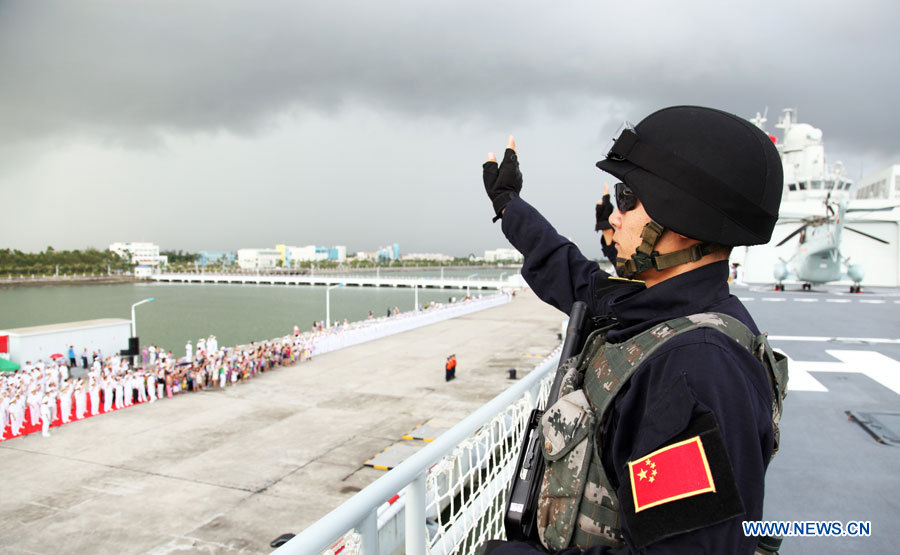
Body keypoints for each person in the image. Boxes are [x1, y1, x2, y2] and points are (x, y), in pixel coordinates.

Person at [479, 106, 787, 554]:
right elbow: (572, 275)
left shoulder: (697, 368)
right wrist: (509, 205)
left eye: (628, 198)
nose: (614, 219)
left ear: (682, 218)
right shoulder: (658, 311)